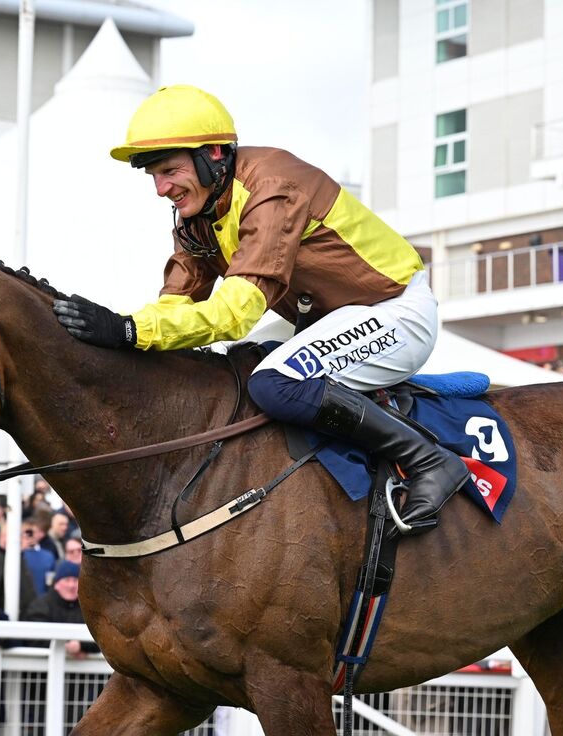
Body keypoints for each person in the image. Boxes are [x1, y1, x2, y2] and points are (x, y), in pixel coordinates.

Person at [53, 85, 464, 535]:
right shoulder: (200, 211)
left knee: (274, 382)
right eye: (153, 176)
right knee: (235, 368)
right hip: (334, 320)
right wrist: (124, 337)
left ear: (213, 155)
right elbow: (175, 303)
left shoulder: (272, 190)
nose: (160, 189)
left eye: (169, 171)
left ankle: (430, 461)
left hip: (395, 310)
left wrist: (129, 331)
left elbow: (235, 314)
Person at [26, 561, 100, 656]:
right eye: (67, 580)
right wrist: (66, 647)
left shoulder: (90, 609)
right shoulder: (40, 606)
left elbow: (102, 638)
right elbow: (34, 639)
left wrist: (81, 646)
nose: (71, 585)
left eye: (75, 580)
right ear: (56, 584)